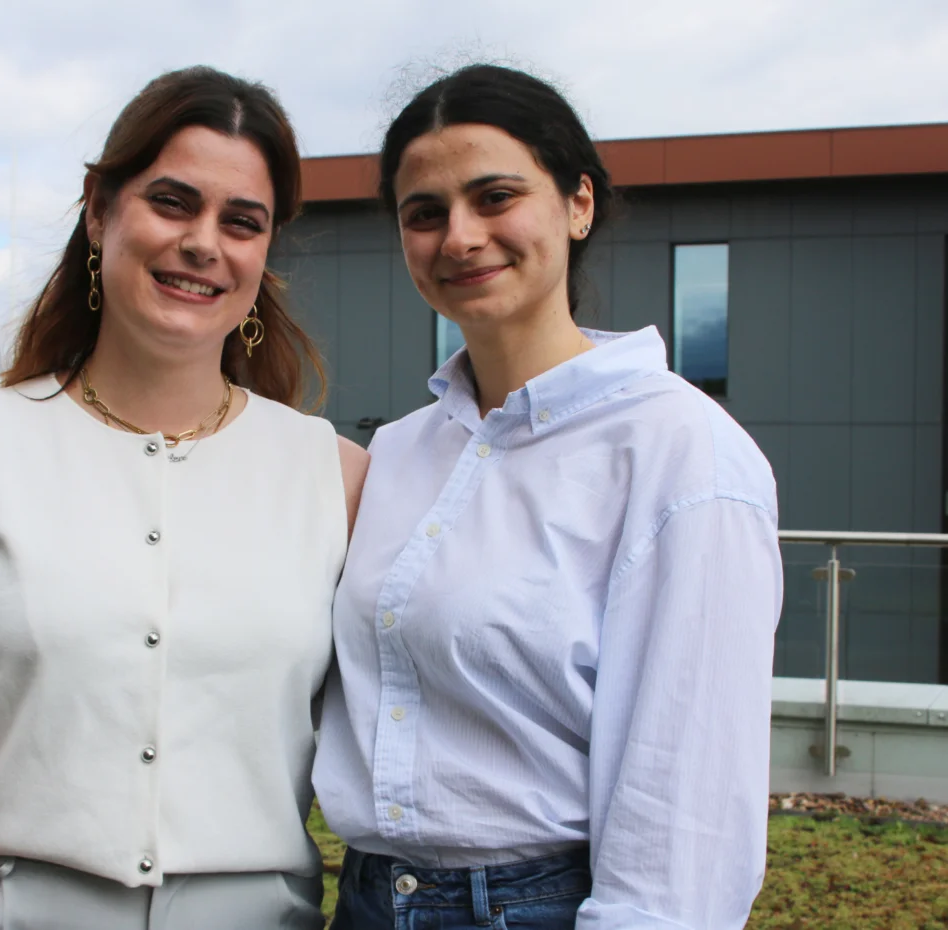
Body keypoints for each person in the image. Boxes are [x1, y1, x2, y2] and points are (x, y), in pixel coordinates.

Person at [0, 66, 369, 930]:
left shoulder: (336, 478)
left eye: (243, 222)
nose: (205, 243)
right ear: (98, 207)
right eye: (172, 202)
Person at [313, 64, 783, 930]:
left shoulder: (680, 451)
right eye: (425, 213)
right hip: (369, 900)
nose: (459, 236)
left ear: (578, 204)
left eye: (495, 197)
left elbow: (688, 796)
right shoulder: (402, 451)